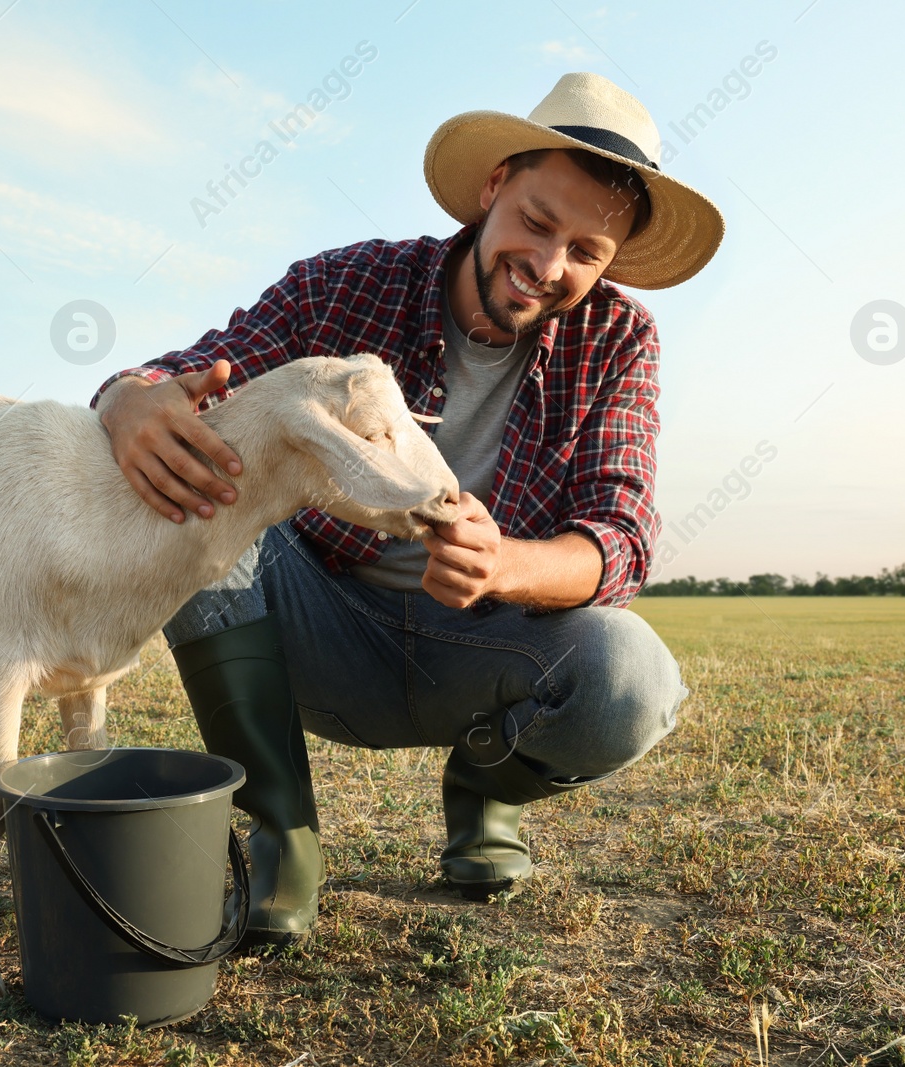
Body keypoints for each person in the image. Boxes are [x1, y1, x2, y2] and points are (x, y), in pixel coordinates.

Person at [91, 73, 724, 947]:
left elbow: (619, 537)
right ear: (494, 186)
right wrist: (129, 396)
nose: (547, 266)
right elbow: (204, 374)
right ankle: (286, 834)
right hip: (319, 629)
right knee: (199, 502)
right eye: (537, 223)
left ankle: (485, 789)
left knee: (632, 681)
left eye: (586, 251)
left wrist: (502, 561)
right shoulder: (347, 284)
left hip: (483, 645)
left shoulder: (620, 339)